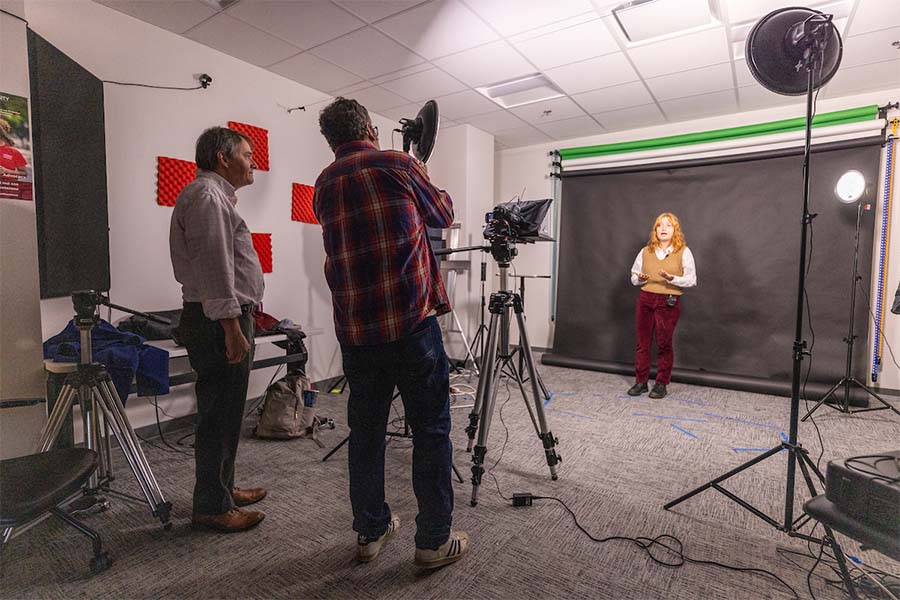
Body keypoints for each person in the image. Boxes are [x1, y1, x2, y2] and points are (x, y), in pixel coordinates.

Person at [314, 97, 469, 568]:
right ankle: (433, 541)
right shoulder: (397, 164)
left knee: (365, 434)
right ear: (369, 128)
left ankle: (370, 531)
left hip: (357, 333)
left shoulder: (323, 183)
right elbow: (442, 214)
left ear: (331, 140)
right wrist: (418, 163)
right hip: (411, 325)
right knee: (431, 430)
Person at [169, 126, 267, 533]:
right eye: (246, 154)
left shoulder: (213, 197)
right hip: (218, 322)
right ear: (223, 158)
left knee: (227, 412)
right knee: (218, 414)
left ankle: (222, 488)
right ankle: (211, 505)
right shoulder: (208, 197)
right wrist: (232, 327)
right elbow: (215, 271)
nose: (253, 163)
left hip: (223, 318)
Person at [628, 212, 697, 399]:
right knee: (642, 343)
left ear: (675, 230)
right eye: (660, 225)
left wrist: (671, 278)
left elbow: (692, 280)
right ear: (655, 230)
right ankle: (641, 382)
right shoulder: (645, 251)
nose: (663, 228)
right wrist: (640, 278)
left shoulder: (683, 251)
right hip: (645, 298)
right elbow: (634, 276)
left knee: (664, 344)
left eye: (668, 225)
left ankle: (661, 383)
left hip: (668, 301)